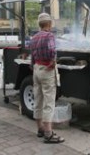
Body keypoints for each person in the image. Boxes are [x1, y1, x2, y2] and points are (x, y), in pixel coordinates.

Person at [29, 12, 65, 144]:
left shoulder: (34, 37)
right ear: (49, 24)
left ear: (39, 24)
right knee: (49, 102)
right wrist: (53, 62)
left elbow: (32, 56)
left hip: (36, 69)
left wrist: (35, 65)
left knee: (38, 99)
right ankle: (48, 133)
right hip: (47, 70)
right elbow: (51, 50)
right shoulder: (49, 35)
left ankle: (40, 129)